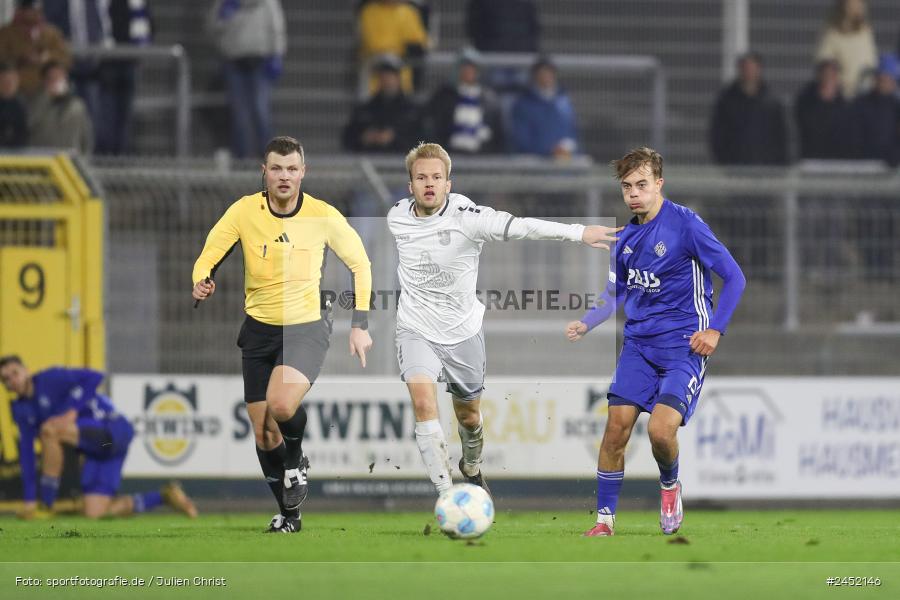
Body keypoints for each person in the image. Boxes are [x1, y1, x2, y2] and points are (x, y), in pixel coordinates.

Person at [388, 142, 620, 497]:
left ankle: (471, 464)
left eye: (436, 177)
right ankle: (446, 495)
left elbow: (523, 227)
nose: (429, 183)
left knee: (468, 416)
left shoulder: (469, 218)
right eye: (421, 178)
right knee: (423, 403)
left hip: (462, 332)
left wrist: (578, 232)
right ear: (411, 186)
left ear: (449, 184)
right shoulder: (396, 216)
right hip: (414, 328)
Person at [191, 136, 373, 533]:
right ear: (265, 172)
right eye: (277, 168)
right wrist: (201, 279)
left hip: (306, 327)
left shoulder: (323, 215)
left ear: (303, 172)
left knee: (281, 404)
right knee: (262, 431)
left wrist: (359, 324)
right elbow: (209, 254)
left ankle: (296, 460)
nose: (284, 176)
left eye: (292, 169)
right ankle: (289, 516)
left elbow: (360, 264)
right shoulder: (244, 211)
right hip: (258, 329)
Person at [567, 147, 746, 537]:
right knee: (616, 429)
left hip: (684, 345)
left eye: (642, 184)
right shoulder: (625, 238)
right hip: (639, 346)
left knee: (661, 432)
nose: (633, 193)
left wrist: (715, 329)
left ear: (659, 183)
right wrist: (587, 322)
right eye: (627, 186)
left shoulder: (686, 225)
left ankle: (669, 485)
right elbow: (615, 292)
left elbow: (735, 277)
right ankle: (604, 521)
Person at [0, 355, 198, 520]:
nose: (12, 381)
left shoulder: (49, 378)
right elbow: (27, 454)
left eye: (15, 373)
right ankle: (164, 496)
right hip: (98, 449)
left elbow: (95, 376)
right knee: (95, 512)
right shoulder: (20, 409)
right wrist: (28, 501)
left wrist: (71, 411)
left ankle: (46, 505)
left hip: (113, 433)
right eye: (6, 379)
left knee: (49, 430)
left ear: (26, 370)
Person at [208, 0, 286, 159]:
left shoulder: (267, 3)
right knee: (239, 113)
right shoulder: (226, 2)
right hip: (234, 63)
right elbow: (212, 28)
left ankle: (269, 158)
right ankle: (242, 159)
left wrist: (277, 54)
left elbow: (277, 28)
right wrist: (223, 18)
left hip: (260, 62)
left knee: (260, 110)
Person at [709, 52, 788, 165]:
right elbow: (717, 134)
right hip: (734, 166)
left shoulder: (771, 102)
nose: (749, 72)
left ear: (759, 69)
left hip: (765, 167)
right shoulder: (727, 101)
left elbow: (780, 136)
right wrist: (724, 161)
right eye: (746, 68)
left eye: (752, 68)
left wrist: (778, 163)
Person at [423, 48, 504, 154]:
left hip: (480, 156)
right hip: (450, 154)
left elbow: (497, 133)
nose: (467, 72)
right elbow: (435, 126)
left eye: (471, 68)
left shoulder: (489, 99)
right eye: (464, 68)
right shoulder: (444, 97)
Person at [342, 54, 421, 154]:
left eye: (390, 75)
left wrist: (394, 138)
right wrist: (363, 138)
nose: (386, 80)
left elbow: (420, 142)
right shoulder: (365, 109)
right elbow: (347, 140)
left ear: (398, 78)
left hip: (401, 161)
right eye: (382, 76)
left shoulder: (412, 110)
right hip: (367, 160)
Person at [0, 0, 71, 101]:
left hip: (45, 87)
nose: (31, 14)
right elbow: (2, 60)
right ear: (19, 11)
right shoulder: (6, 33)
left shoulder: (50, 33)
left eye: (35, 10)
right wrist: (21, 59)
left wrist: (45, 57)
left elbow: (66, 58)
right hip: (16, 89)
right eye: (27, 10)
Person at [509, 56, 578, 159]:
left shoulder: (564, 102)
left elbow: (572, 133)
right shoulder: (523, 104)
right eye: (542, 73)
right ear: (535, 76)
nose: (546, 77)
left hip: (563, 160)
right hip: (535, 162)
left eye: (549, 73)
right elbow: (522, 139)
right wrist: (550, 150)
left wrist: (570, 149)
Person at [357, 0, 428, 95]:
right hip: (375, 68)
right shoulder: (370, 11)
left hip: (401, 68)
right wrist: (397, 47)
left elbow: (419, 40)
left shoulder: (407, 12)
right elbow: (373, 43)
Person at [795, 59, 858, 159]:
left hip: (838, 159)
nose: (829, 79)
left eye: (832, 75)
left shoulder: (845, 105)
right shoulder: (806, 102)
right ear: (819, 76)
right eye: (826, 75)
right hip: (812, 158)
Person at [815, 0, 877, 99]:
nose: (860, 7)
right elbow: (825, 63)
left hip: (865, 93)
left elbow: (871, 61)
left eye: (861, 4)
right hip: (840, 95)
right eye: (854, 4)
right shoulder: (832, 33)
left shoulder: (865, 31)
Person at [27, 60, 93, 154]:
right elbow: (29, 124)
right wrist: (46, 96)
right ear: (44, 81)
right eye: (52, 78)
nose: (56, 81)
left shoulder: (77, 106)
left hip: (71, 158)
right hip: (43, 158)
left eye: (60, 77)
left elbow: (87, 137)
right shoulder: (34, 103)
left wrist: (84, 158)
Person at [853, 54, 900, 167]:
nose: (885, 82)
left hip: (890, 167)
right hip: (864, 164)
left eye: (889, 79)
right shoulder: (861, 104)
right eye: (882, 78)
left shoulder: (896, 107)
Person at [0, 61, 28, 147]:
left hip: (19, 151)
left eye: (12, 80)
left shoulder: (24, 104)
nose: (9, 84)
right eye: (4, 80)